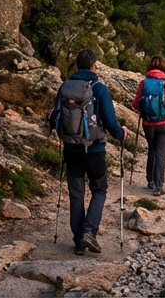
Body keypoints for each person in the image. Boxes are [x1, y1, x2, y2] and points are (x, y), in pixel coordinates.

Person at [50, 47, 128, 256]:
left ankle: (78, 242)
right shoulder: (99, 88)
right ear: (94, 66)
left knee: (76, 194)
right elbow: (110, 121)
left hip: (71, 147)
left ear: (77, 65)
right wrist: (121, 134)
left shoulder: (64, 87)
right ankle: (88, 231)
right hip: (94, 148)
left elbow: (53, 117)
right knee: (99, 189)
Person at [131, 55, 165, 195]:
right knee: (161, 153)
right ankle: (158, 186)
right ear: (164, 67)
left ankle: (150, 180)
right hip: (164, 123)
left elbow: (135, 104)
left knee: (152, 149)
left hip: (148, 123)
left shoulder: (144, 82)